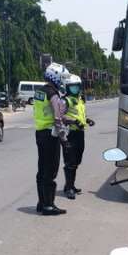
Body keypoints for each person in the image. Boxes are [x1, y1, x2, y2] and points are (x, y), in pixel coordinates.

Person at [33, 62, 69, 215]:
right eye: (61, 77)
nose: (62, 80)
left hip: (40, 133)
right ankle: (49, 205)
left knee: (42, 169)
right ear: (55, 77)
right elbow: (57, 118)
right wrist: (65, 139)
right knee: (51, 170)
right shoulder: (53, 94)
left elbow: (46, 113)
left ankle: (41, 202)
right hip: (51, 135)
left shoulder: (39, 91)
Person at [61, 73, 95, 199]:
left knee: (77, 161)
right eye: (72, 86)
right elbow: (60, 116)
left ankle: (70, 185)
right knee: (70, 161)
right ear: (67, 87)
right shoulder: (65, 100)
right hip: (69, 134)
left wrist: (87, 120)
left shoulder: (80, 100)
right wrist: (74, 122)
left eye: (77, 86)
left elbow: (80, 115)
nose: (75, 88)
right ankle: (69, 188)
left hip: (80, 134)